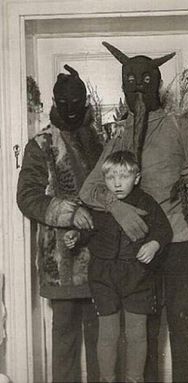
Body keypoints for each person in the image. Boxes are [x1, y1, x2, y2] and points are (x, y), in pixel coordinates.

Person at [79, 42, 188, 383]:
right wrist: (117, 207)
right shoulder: (119, 134)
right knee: (146, 328)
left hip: (182, 242)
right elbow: (88, 190)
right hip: (139, 249)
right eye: (131, 84)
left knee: (184, 322)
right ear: (124, 89)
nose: (138, 91)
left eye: (145, 82)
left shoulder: (177, 125)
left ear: (156, 84)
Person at [17, 64, 103, 383]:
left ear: (86, 102)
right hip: (61, 262)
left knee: (103, 342)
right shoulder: (40, 144)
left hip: (102, 258)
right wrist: (67, 212)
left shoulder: (102, 138)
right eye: (63, 102)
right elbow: (27, 196)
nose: (70, 109)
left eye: (76, 102)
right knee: (65, 340)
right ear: (53, 101)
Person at [64, 150, 173, 383]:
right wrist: (75, 235)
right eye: (111, 178)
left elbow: (164, 231)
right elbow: (88, 231)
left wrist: (153, 245)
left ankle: (135, 379)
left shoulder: (146, 203)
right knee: (108, 334)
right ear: (104, 180)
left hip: (138, 276)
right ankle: (107, 379)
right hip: (104, 276)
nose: (117, 183)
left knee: (136, 333)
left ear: (136, 178)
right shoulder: (99, 205)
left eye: (123, 177)